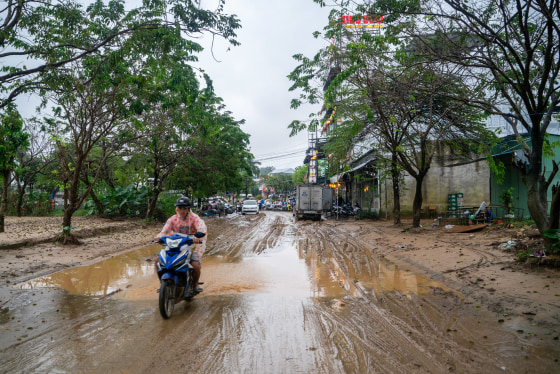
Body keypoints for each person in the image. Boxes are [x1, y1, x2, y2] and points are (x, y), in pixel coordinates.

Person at [154, 196, 207, 295]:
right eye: (180, 208)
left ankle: (195, 285)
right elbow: (164, 231)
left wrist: (198, 236)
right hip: (175, 243)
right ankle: (162, 284)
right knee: (157, 260)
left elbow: (201, 227)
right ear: (177, 209)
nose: (182, 211)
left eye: (184, 208)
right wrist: (158, 238)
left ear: (188, 209)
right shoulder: (172, 219)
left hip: (191, 243)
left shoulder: (195, 218)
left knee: (195, 265)